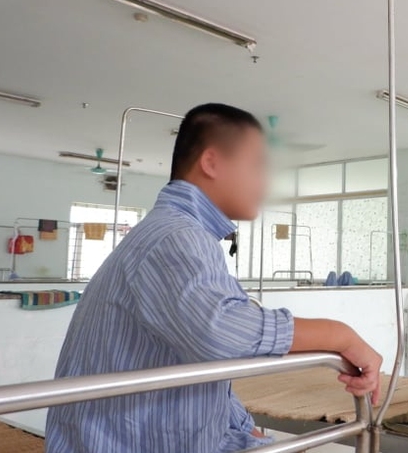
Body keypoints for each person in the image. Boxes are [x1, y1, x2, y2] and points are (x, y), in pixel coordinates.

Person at [46, 104, 382, 453]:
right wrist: (339, 335)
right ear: (212, 163)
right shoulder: (176, 237)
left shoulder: (182, 233)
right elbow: (220, 332)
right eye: (257, 165)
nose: (266, 182)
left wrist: (241, 428)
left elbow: (200, 363)